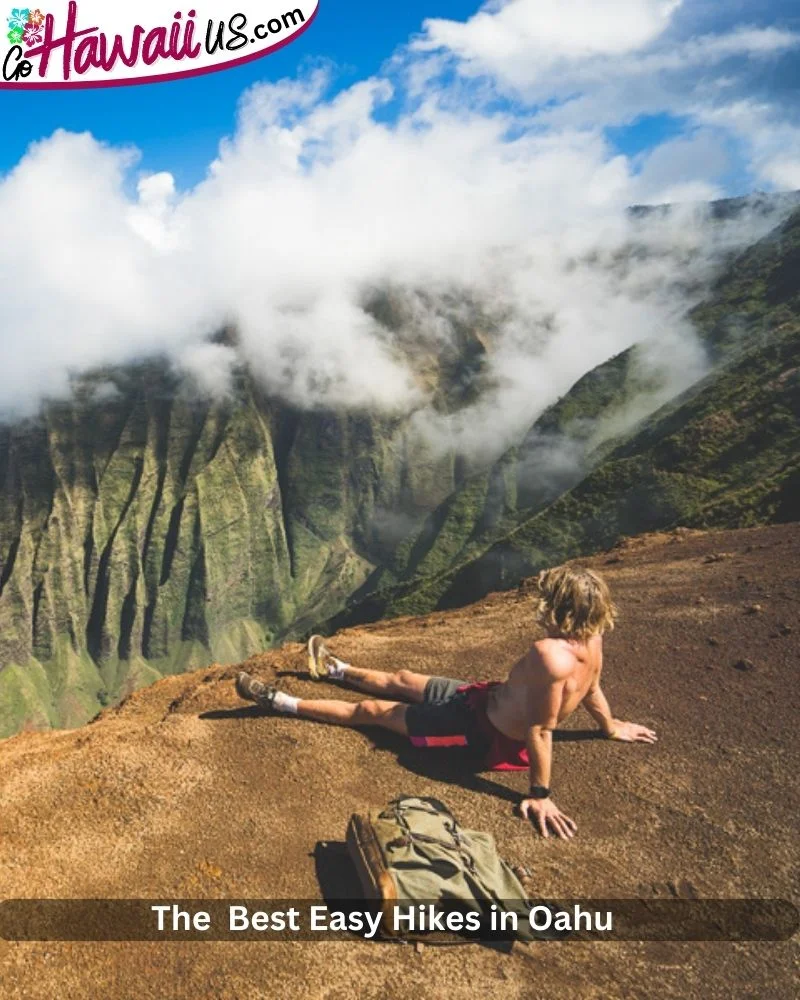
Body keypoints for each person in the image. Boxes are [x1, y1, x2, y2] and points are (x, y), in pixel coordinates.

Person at [235, 565, 657, 840]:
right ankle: (333, 669)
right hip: (480, 699)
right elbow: (593, 689)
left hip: (478, 733)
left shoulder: (550, 655)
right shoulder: (592, 637)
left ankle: (278, 701)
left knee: (372, 714)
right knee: (401, 680)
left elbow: (541, 729)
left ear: (558, 607)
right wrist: (610, 726)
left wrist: (541, 793)